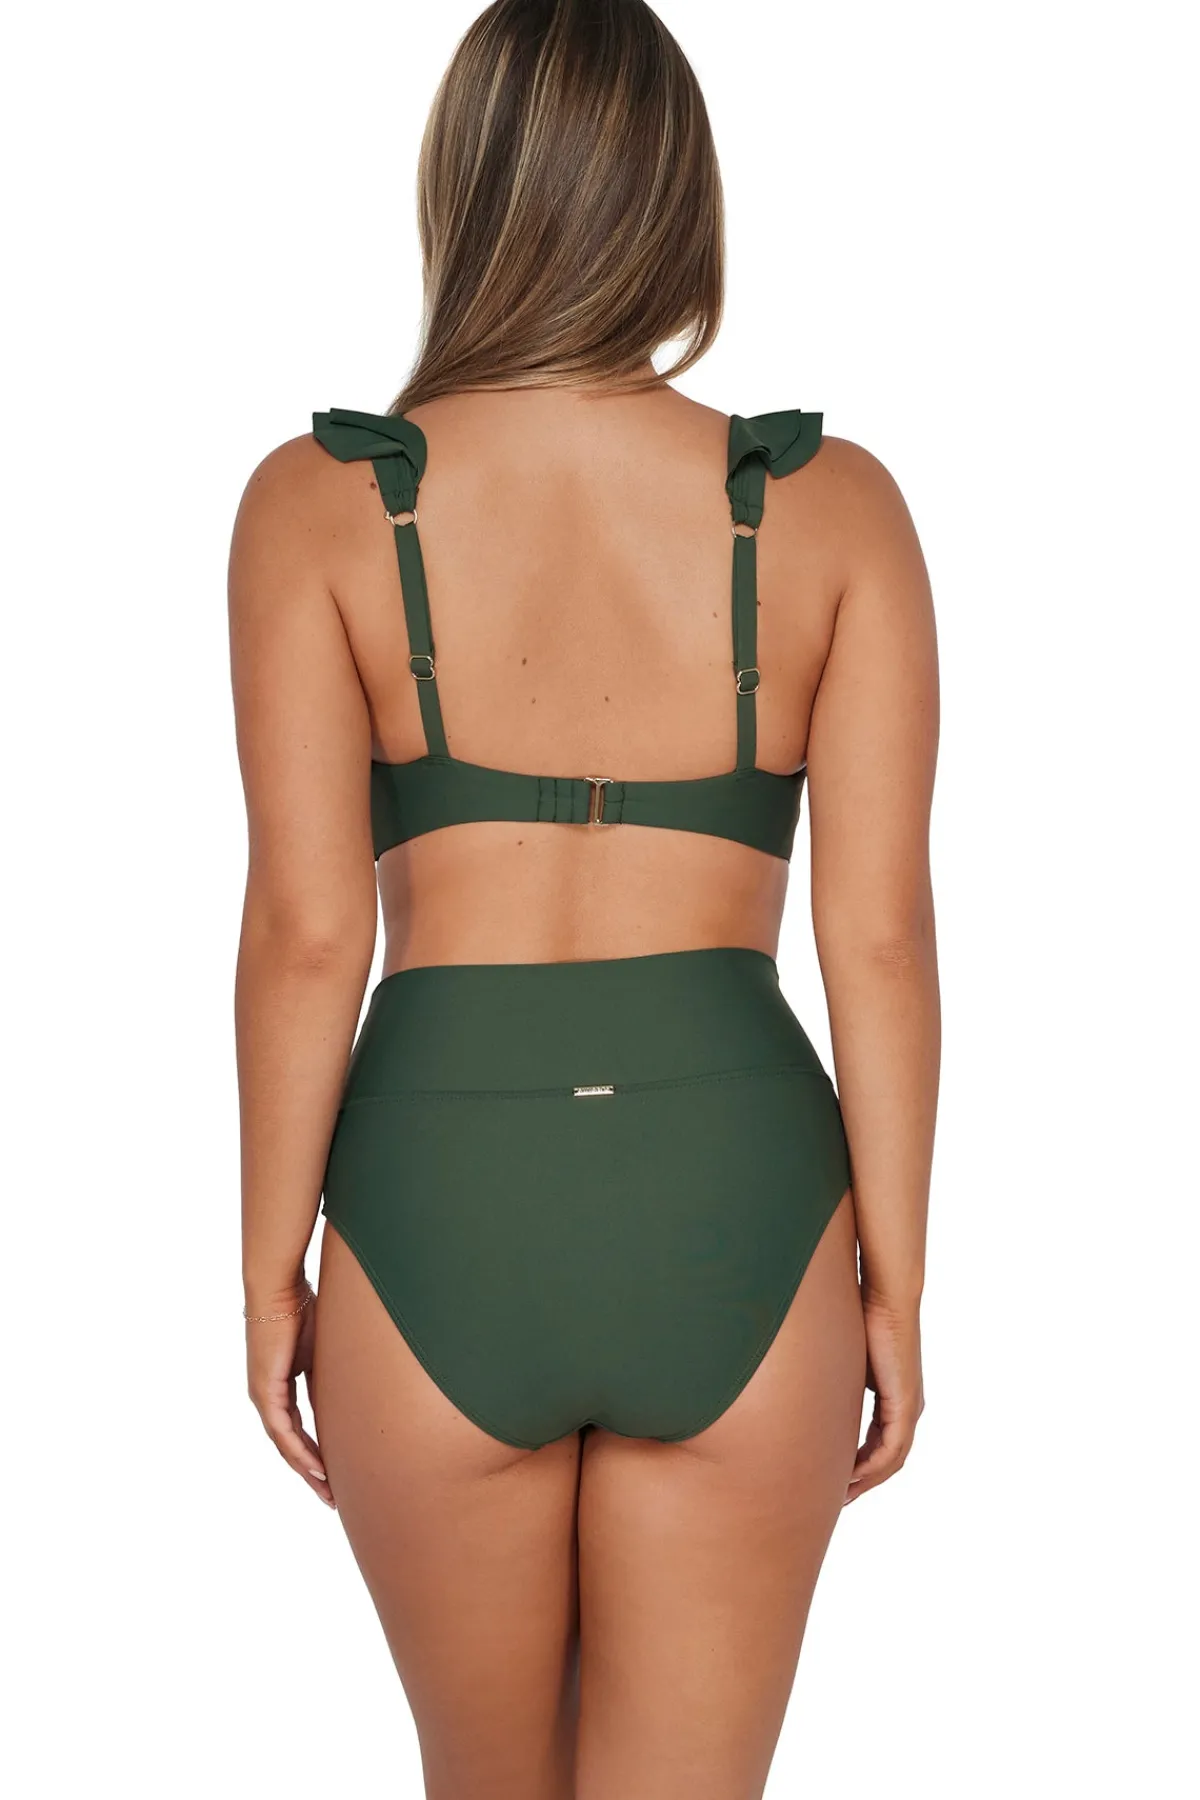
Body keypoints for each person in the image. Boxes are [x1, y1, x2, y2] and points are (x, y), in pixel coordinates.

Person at [228, 2, 939, 1794]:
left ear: (462, 192)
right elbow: (876, 939)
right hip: (740, 1202)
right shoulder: (832, 509)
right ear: (679, 200)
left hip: (438, 1203)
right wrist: (898, 1285)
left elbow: (308, 935)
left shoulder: (318, 508)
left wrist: (267, 1269)